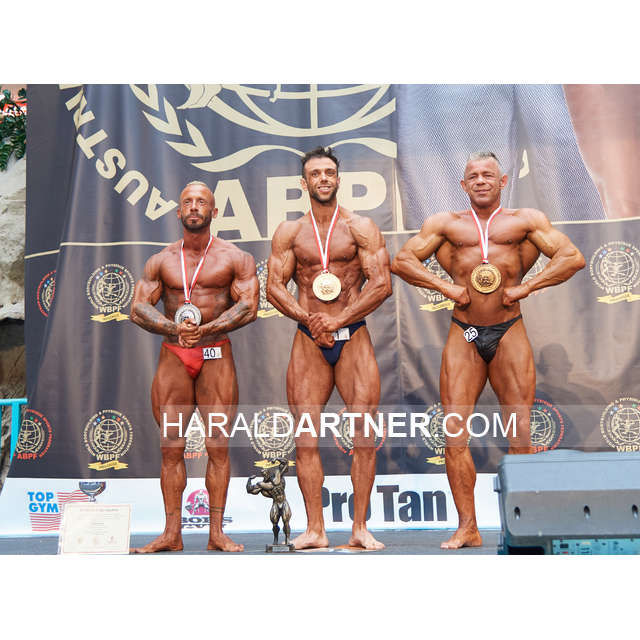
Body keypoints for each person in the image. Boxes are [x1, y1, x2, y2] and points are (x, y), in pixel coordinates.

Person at [391, 152, 585, 549]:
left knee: (520, 432)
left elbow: (572, 257)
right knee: (454, 433)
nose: (481, 181)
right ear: (463, 185)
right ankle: (468, 527)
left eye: (488, 175)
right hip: (464, 332)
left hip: (508, 328)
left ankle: (524, 526)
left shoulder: (525, 220)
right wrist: (446, 287)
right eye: (473, 176)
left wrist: (526, 287)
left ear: (503, 181)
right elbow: (403, 260)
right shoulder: (445, 224)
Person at [266, 146, 392, 550]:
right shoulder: (290, 232)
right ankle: (315, 529)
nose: (323, 178)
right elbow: (273, 287)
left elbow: (381, 284)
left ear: (338, 179)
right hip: (309, 340)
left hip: (352, 335)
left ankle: (360, 528)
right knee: (305, 437)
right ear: (304, 183)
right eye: (315, 173)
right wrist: (310, 320)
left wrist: (337, 320)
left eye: (329, 172)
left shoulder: (360, 227)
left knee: (364, 435)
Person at [129, 180, 259, 553]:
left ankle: (216, 533)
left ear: (214, 212)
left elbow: (249, 305)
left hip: (215, 353)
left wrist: (207, 329)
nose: (194, 207)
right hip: (174, 355)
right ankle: (172, 534)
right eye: (187, 201)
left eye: (202, 201)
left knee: (218, 445)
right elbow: (138, 307)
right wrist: (174, 328)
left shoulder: (235, 257)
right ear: (178, 211)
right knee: (171, 447)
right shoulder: (161, 260)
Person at [246, 459, 292, 546]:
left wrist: (277, 458)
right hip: (275, 503)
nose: (264, 474)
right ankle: (275, 539)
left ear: (268, 472)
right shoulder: (262, 485)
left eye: (265, 472)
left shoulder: (278, 475)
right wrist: (249, 480)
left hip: (283, 502)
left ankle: (288, 540)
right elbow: (250, 490)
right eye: (263, 474)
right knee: (274, 523)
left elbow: (286, 463)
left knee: (286, 521)